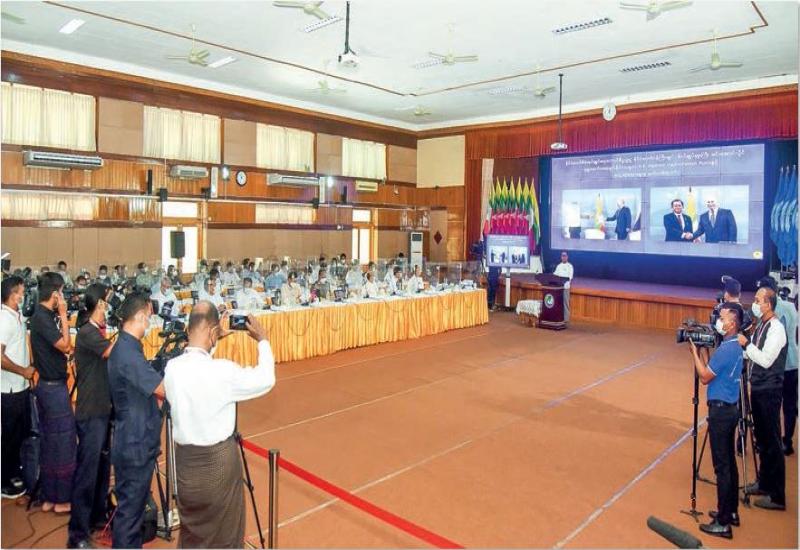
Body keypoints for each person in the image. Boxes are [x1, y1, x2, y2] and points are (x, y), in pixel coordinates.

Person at [164, 304, 275, 547]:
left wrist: (213, 339)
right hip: (218, 467)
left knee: (192, 534)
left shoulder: (172, 369)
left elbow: (196, 361)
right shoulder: (223, 372)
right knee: (225, 536)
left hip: (185, 469)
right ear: (213, 332)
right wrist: (263, 341)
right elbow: (266, 379)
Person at [107, 293, 165, 548]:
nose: (149, 324)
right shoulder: (127, 352)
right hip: (135, 442)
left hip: (135, 438)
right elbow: (161, 388)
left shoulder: (127, 347)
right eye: (148, 319)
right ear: (140, 316)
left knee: (133, 510)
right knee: (130, 515)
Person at [689, 303, 745, 539]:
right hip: (730, 409)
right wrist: (704, 352)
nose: (717, 321)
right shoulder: (734, 346)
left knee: (721, 467)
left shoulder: (726, 350)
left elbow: (704, 377)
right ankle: (731, 511)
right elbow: (713, 370)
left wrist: (694, 351)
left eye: (721, 317)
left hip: (720, 413)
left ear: (731, 323)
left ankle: (723, 522)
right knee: (729, 464)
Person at [68, 284, 115, 549]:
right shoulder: (87, 332)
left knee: (101, 469)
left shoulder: (97, 331)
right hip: (90, 411)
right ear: (98, 304)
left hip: (103, 408)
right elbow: (111, 351)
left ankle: (97, 516)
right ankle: (76, 534)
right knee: (87, 473)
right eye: (106, 303)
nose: (108, 307)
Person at [29, 272, 75, 513]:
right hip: (53, 389)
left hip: (48, 387)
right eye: (62, 293)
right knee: (63, 442)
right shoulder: (43, 317)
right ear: (55, 294)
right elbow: (66, 346)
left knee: (50, 442)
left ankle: (50, 496)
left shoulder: (42, 316)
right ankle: (61, 498)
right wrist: (64, 315)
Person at [738, 287, 787, 511]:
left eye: (758, 301)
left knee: (772, 441)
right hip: (758, 388)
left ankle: (777, 496)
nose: (754, 304)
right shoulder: (761, 326)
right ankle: (764, 483)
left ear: (768, 304)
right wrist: (739, 350)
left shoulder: (776, 328)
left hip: (769, 390)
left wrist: (746, 345)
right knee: (763, 440)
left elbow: (766, 360)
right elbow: (753, 354)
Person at [756, 277, 798, 455]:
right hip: (793, 363)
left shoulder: (770, 312)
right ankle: (787, 442)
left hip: (777, 366)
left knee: (772, 406)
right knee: (789, 405)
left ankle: (769, 442)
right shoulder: (791, 307)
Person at [1, 276, 33, 499]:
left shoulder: (17, 316)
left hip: (21, 387)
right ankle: (4, 481)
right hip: (8, 389)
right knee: (9, 436)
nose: (24, 295)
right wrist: (22, 371)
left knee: (19, 434)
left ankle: (13, 470)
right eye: (21, 292)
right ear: (13, 295)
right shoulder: (4, 319)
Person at [553, 251, 574, 322]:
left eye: (565, 256)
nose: (563, 257)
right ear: (561, 257)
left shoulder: (570, 266)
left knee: (566, 303)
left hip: (565, 288)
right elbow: (555, 275)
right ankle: (558, 317)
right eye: (562, 256)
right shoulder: (559, 266)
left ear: (567, 257)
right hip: (558, 288)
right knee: (558, 303)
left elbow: (570, 277)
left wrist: (563, 281)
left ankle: (566, 319)